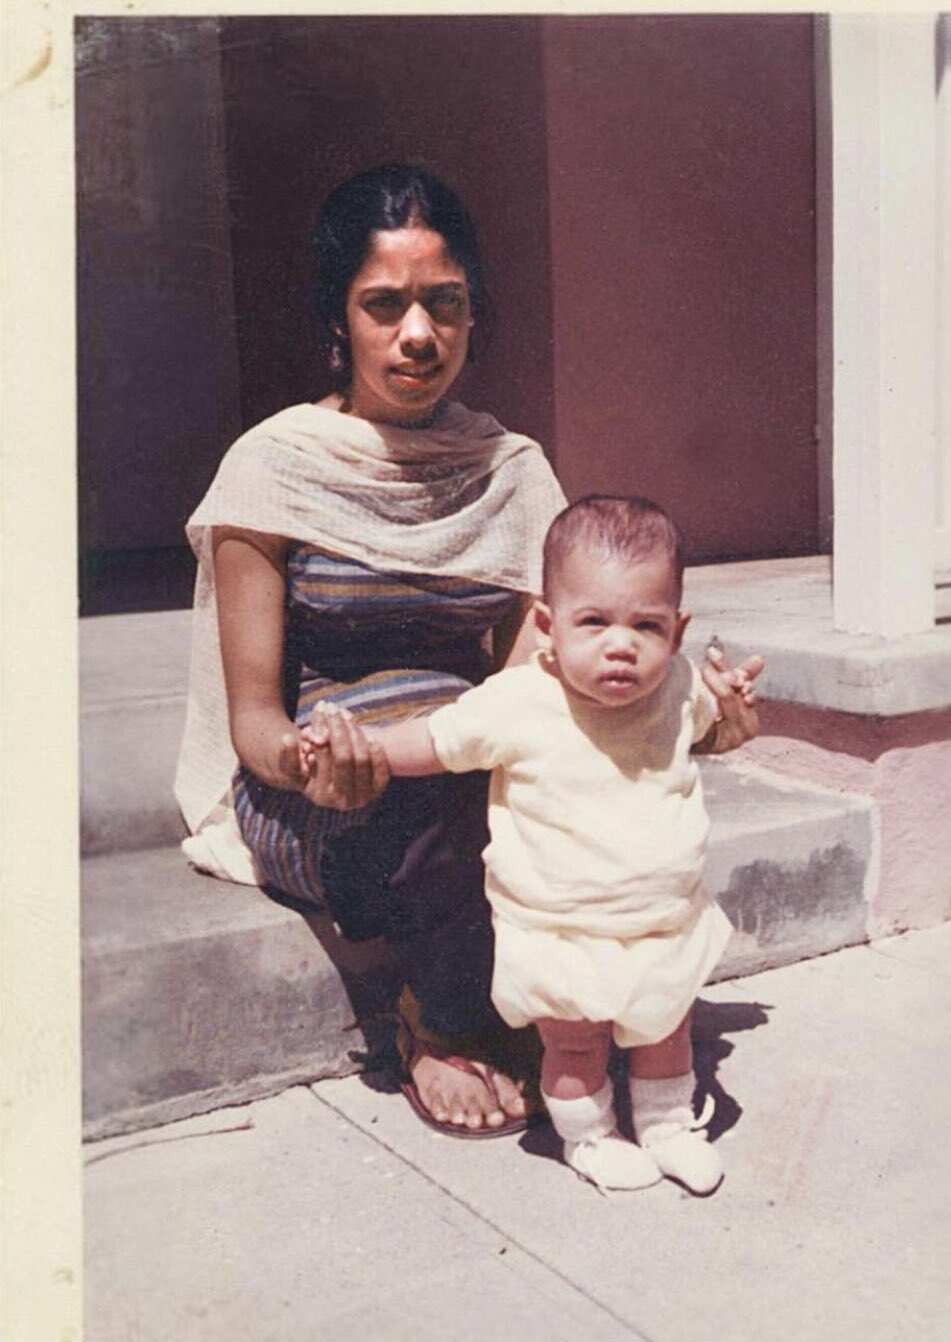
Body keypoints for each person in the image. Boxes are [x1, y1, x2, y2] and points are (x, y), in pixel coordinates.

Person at [175, 163, 761, 1139]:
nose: (418, 334)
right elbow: (255, 723)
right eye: (384, 305)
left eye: (444, 303)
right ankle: (437, 1023)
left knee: (519, 780)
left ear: (473, 313)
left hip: (462, 767)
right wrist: (314, 769)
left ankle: (588, 1004)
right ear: (339, 318)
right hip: (317, 785)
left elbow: (552, 675)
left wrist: (700, 724)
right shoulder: (274, 467)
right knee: (434, 785)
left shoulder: (510, 468)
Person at [305, 496, 764, 1192]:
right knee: (574, 1044)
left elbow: (712, 728)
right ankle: (591, 1138)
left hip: (662, 916)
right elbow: (433, 741)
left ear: (678, 631)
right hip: (558, 926)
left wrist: (730, 708)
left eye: (647, 625)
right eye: (595, 622)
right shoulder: (519, 701)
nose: (621, 644)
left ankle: (668, 1128)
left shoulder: (677, 686)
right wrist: (360, 747)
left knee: (666, 1032)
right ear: (548, 627)